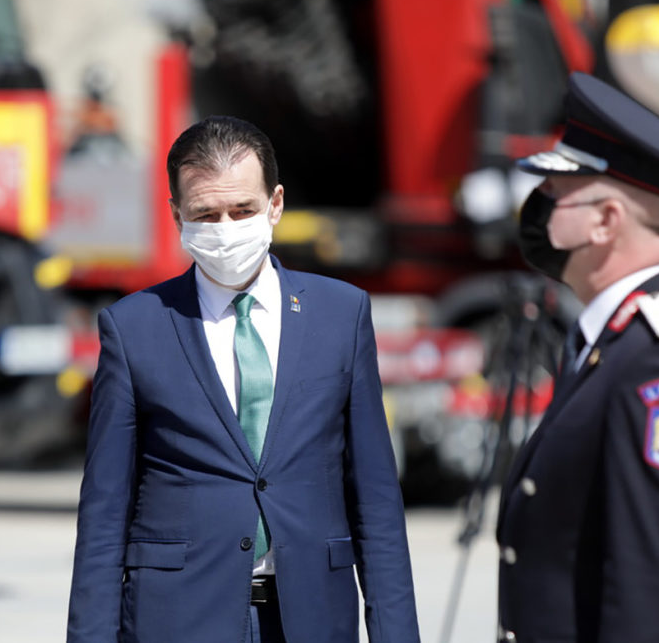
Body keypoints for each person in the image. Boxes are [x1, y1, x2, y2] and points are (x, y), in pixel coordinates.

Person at [67, 115, 419, 642]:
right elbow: (104, 512)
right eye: (205, 214)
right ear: (177, 215)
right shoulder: (134, 327)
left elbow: (376, 502)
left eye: (243, 210)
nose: (226, 229)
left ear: (275, 203)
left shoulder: (340, 315)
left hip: (311, 617)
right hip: (179, 620)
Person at [498, 72, 659, 642]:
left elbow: (655, 595)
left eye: (555, 190)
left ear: (606, 220)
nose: (537, 205)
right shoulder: (614, 340)